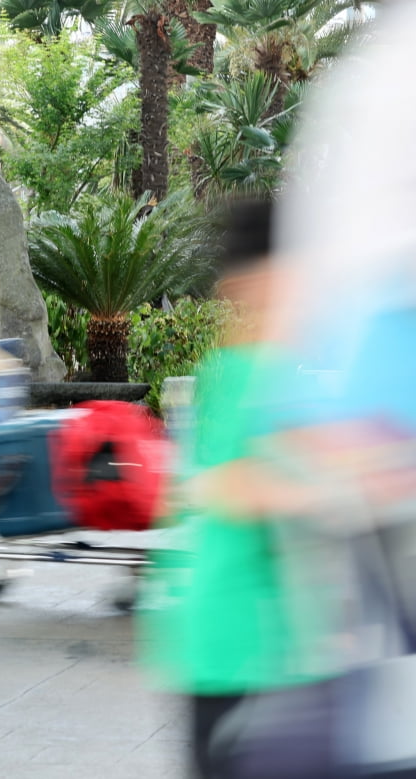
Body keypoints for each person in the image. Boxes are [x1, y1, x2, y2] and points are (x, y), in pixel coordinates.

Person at [140, 200, 340, 778]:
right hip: (238, 648)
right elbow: (223, 486)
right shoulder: (249, 371)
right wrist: (332, 489)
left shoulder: (261, 369)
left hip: (260, 645)